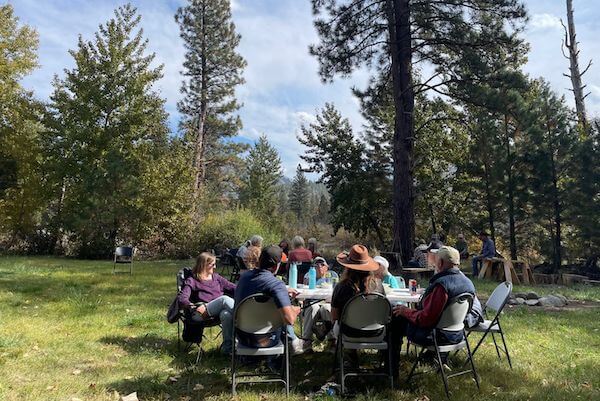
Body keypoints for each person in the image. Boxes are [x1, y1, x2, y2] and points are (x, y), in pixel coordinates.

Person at [390, 246, 476, 377]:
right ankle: (433, 358)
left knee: (395, 320)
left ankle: (391, 370)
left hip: (436, 336)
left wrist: (405, 311)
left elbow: (426, 319)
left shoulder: (442, 286)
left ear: (440, 263)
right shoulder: (468, 283)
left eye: (436, 260)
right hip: (457, 334)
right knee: (401, 316)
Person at [234, 245, 304, 354]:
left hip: (243, 337)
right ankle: (287, 351)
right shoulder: (276, 284)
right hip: (267, 340)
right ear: (276, 266)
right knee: (284, 316)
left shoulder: (244, 277)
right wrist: (295, 310)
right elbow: (290, 319)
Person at [178, 252, 236, 355]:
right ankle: (246, 319)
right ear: (204, 265)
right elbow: (182, 298)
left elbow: (234, 288)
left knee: (226, 315)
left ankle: (228, 349)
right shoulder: (192, 280)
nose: (215, 267)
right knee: (224, 299)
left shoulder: (217, 278)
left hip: (216, 312)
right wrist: (192, 306)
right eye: (212, 264)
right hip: (199, 313)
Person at [300, 257, 339, 352]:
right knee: (312, 307)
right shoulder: (309, 275)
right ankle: (307, 341)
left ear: (327, 267)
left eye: (322, 264)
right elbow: (304, 292)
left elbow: (337, 291)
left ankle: (332, 340)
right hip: (312, 302)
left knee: (327, 308)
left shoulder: (332, 275)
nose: (319, 267)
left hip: (327, 302)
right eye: (316, 265)